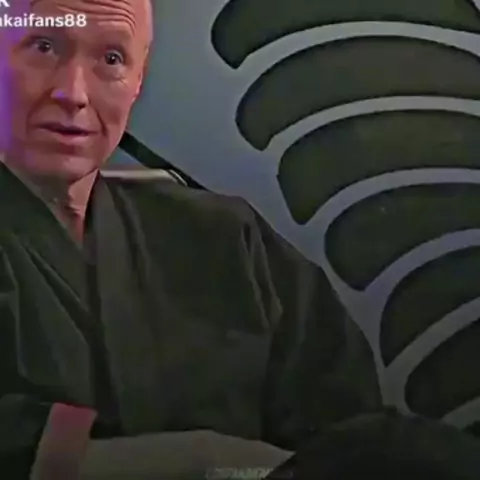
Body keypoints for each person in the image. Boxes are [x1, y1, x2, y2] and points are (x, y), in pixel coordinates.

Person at [0, 1, 478, 480]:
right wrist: (204, 461)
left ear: (138, 80)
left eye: (111, 59)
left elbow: (344, 426)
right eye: (44, 47)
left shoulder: (226, 239)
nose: (73, 93)